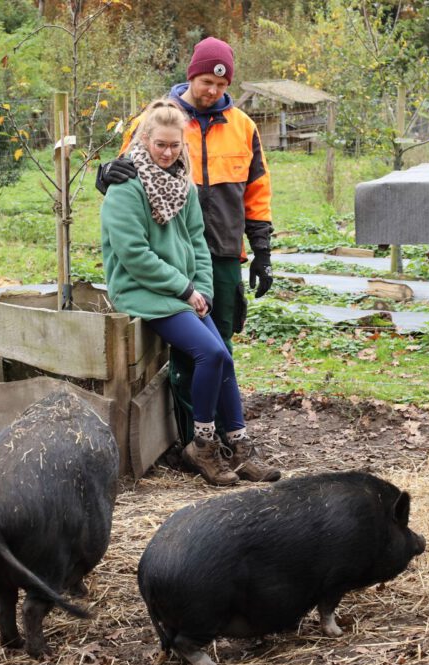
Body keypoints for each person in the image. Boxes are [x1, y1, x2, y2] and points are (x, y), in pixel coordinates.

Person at [96, 36, 276, 462]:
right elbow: (124, 173)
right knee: (189, 356)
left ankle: (229, 441)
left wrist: (263, 251)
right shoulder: (163, 120)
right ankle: (188, 440)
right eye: (203, 80)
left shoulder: (243, 126)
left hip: (221, 253)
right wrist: (105, 174)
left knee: (221, 347)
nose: (211, 90)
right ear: (191, 75)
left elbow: (258, 190)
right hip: (166, 261)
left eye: (220, 83)